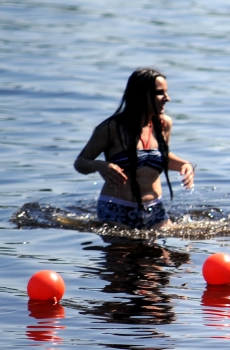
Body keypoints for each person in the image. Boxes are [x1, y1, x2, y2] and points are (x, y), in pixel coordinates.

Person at [75, 68, 195, 229]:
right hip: (116, 210)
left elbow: (160, 157)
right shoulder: (111, 128)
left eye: (166, 92)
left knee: (172, 254)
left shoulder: (163, 125)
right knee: (121, 251)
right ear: (140, 95)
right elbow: (81, 162)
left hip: (156, 210)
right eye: (160, 93)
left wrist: (184, 165)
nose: (167, 98)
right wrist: (100, 165)